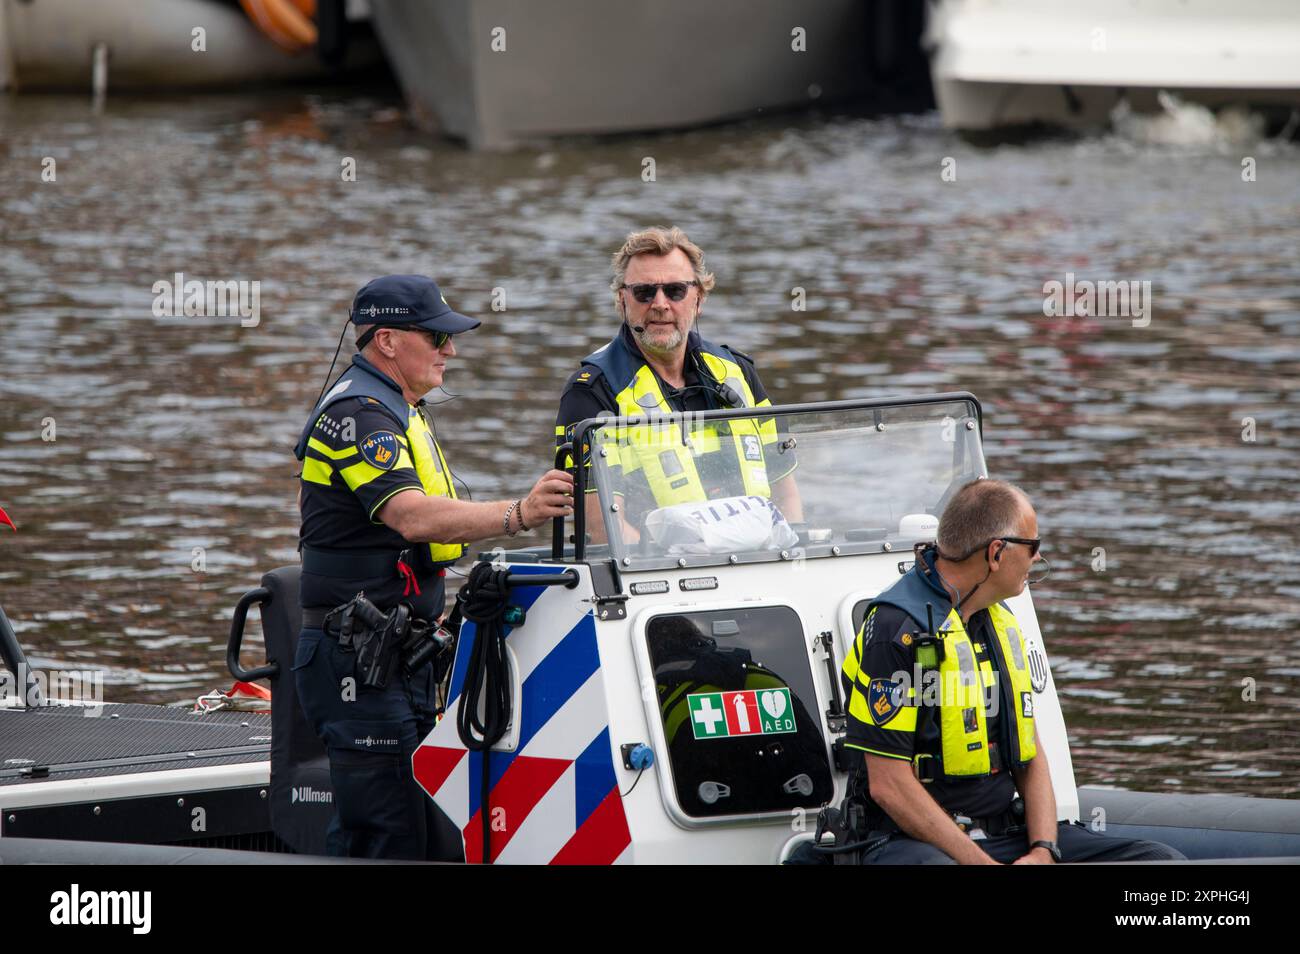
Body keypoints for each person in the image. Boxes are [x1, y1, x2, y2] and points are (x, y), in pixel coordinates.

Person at [291, 274, 573, 859]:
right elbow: (412, 517)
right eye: (437, 337)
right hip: (357, 657)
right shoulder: (359, 415)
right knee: (384, 833)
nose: (451, 350)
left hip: (397, 650)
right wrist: (518, 514)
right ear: (388, 340)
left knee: (426, 830)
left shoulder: (398, 406)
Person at [835, 479, 1184, 864]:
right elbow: (889, 784)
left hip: (1003, 833)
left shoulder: (998, 622)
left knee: (1158, 858)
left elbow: (1030, 753)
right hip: (912, 844)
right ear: (996, 552)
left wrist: (1043, 851)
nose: (1037, 558)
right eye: (1032, 546)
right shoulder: (894, 631)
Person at [555, 226, 801, 542]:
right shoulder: (590, 392)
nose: (659, 304)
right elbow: (604, 527)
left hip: (759, 564)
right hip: (658, 578)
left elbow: (787, 497)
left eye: (675, 291)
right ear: (623, 300)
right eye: (644, 292)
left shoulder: (738, 371)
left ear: (698, 298)